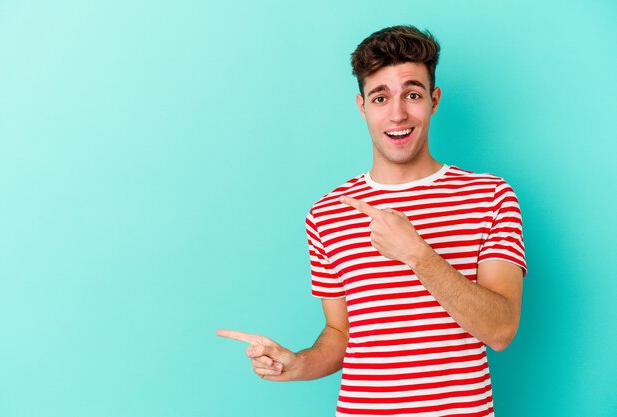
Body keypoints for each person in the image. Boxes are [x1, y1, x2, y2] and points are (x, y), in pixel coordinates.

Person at [217, 25, 526, 417]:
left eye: (412, 95)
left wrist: (417, 254)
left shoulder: (490, 196)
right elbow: (341, 335)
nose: (397, 114)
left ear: (434, 100)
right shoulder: (326, 214)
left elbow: (500, 330)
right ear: (363, 106)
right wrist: (295, 365)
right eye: (381, 98)